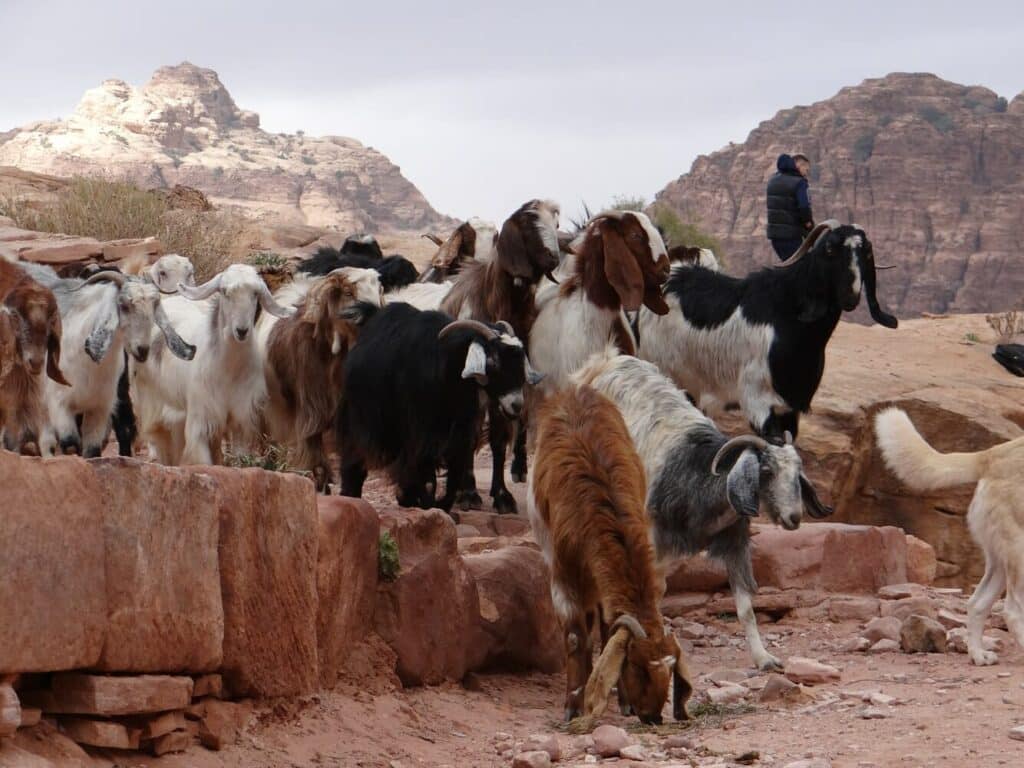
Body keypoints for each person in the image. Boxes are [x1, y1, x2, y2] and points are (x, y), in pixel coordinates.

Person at [765, 152, 814, 261]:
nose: (806, 174)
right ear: (798, 165)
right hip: (791, 236)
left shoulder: (772, 180)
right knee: (800, 269)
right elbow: (804, 207)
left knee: (787, 265)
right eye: (806, 170)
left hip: (774, 236)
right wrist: (810, 226)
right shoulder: (800, 183)